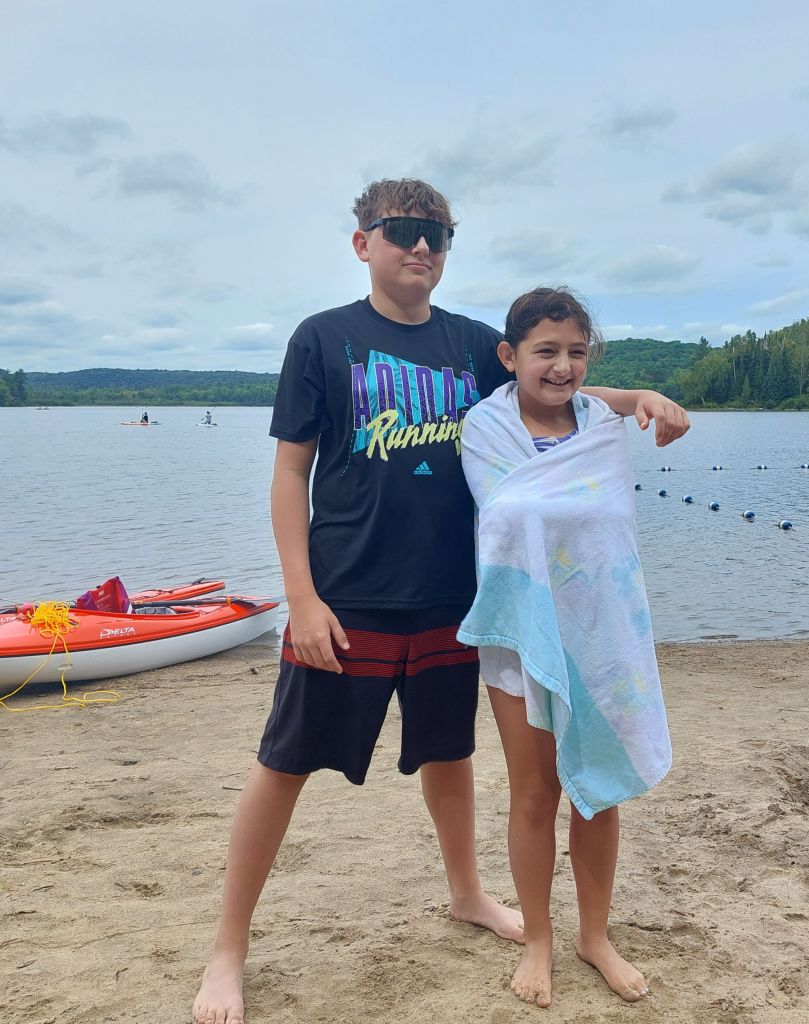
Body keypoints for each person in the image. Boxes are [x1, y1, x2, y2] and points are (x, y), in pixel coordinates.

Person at [192, 179, 688, 1024]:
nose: (420, 246)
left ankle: (467, 893)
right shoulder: (324, 339)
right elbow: (289, 473)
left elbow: (548, 389)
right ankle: (227, 950)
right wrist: (300, 598)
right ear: (364, 243)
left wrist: (635, 398)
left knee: (448, 756)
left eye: (437, 233)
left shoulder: (469, 345)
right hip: (347, 594)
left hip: (456, 599)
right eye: (403, 231)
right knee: (282, 764)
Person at [457, 287, 673, 1008]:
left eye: (577, 352)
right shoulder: (483, 429)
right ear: (508, 355)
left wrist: (643, 393)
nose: (563, 367)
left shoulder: (600, 426)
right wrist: (639, 392)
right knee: (535, 793)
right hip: (521, 637)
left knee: (598, 789)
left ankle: (595, 936)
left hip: (603, 634)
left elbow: (605, 518)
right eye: (546, 351)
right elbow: (506, 516)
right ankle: (540, 941)